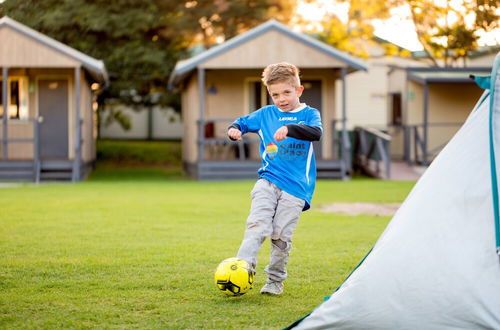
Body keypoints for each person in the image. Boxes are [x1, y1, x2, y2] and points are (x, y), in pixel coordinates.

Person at [227, 62, 323, 295]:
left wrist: (291, 128)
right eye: (275, 94)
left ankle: (275, 281)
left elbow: (316, 133)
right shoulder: (265, 114)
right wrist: (234, 130)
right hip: (268, 180)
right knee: (257, 224)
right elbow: (240, 122)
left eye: (286, 93)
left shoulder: (310, 114)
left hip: (297, 188)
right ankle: (242, 268)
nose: (281, 99)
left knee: (280, 236)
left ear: (298, 91)